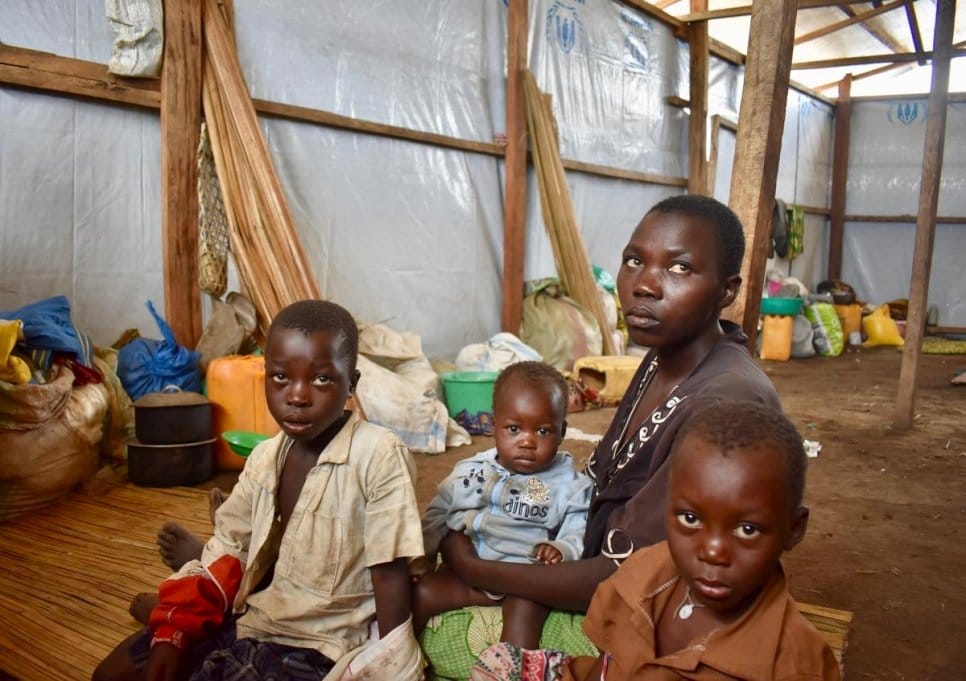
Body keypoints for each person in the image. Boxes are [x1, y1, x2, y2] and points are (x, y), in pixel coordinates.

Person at [437, 194, 782, 621]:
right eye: (634, 261)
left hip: (657, 610)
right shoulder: (664, 357)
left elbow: (625, 579)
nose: (645, 285)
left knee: (432, 613)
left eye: (679, 268)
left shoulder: (727, 403)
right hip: (578, 556)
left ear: (727, 290)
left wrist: (474, 566)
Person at [94, 300, 426, 681]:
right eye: (281, 377)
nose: (298, 395)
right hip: (250, 619)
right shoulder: (265, 458)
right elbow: (229, 548)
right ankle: (180, 611)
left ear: (351, 384)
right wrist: (172, 635)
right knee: (112, 673)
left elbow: (390, 574)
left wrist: (391, 666)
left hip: (317, 645)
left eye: (321, 379)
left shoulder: (380, 456)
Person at [472, 401, 841, 680]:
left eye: (746, 530)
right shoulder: (645, 574)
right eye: (691, 519)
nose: (712, 550)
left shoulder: (793, 661)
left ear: (793, 529)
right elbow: (606, 662)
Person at [413, 361, 592, 648]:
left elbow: (579, 526)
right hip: (473, 579)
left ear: (562, 431)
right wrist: (420, 559)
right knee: (421, 593)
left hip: (523, 581)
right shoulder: (471, 472)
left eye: (543, 431)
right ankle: (404, 660)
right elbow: (437, 513)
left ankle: (506, 667)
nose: (527, 441)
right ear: (493, 426)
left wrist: (562, 549)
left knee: (524, 614)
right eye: (513, 429)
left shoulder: (568, 485)